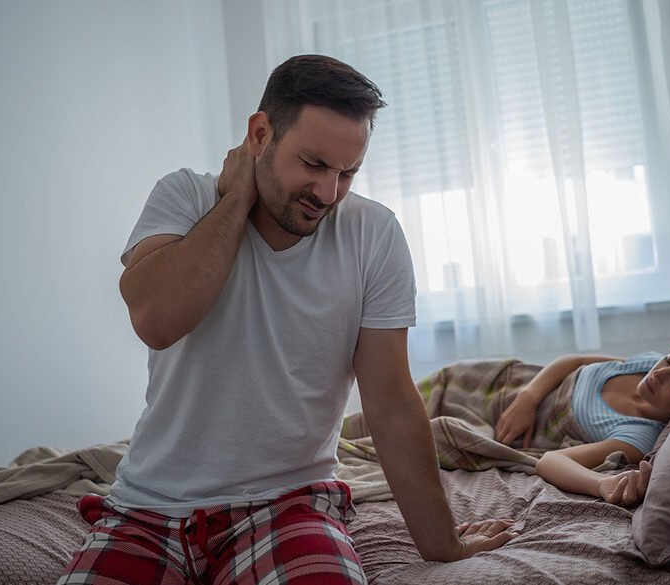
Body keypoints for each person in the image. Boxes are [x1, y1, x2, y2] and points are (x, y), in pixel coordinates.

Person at [56, 54, 515, 585]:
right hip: (149, 510)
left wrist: (445, 544)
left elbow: (389, 399)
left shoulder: (374, 234)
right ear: (259, 134)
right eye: (313, 164)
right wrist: (236, 201)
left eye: (347, 172)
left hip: (288, 506)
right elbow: (157, 320)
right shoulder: (186, 196)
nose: (328, 192)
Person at [494, 337, 670, 507]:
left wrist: (601, 484)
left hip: (501, 419)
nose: (659, 373)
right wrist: (529, 396)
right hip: (521, 383)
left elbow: (551, 460)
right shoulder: (649, 363)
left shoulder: (638, 435)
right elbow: (576, 361)